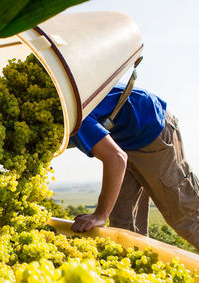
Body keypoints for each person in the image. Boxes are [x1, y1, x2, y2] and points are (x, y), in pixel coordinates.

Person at [69, 84, 199, 250]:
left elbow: (116, 159)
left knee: (186, 216)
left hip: (151, 127)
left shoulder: (72, 115)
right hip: (124, 139)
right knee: (123, 225)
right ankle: (138, 272)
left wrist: (100, 214)